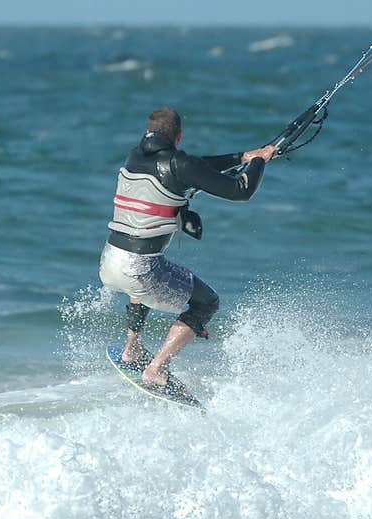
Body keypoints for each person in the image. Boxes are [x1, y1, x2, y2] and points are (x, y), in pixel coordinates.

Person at [99, 106, 276, 394]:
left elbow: (198, 166)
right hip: (140, 269)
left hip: (109, 261)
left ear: (148, 132)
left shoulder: (133, 156)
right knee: (207, 303)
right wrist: (258, 162)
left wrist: (242, 157)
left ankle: (132, 348)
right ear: (179, 137)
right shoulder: (180, 165)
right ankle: (157, 369)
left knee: (143, 275)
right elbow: (240, 190)